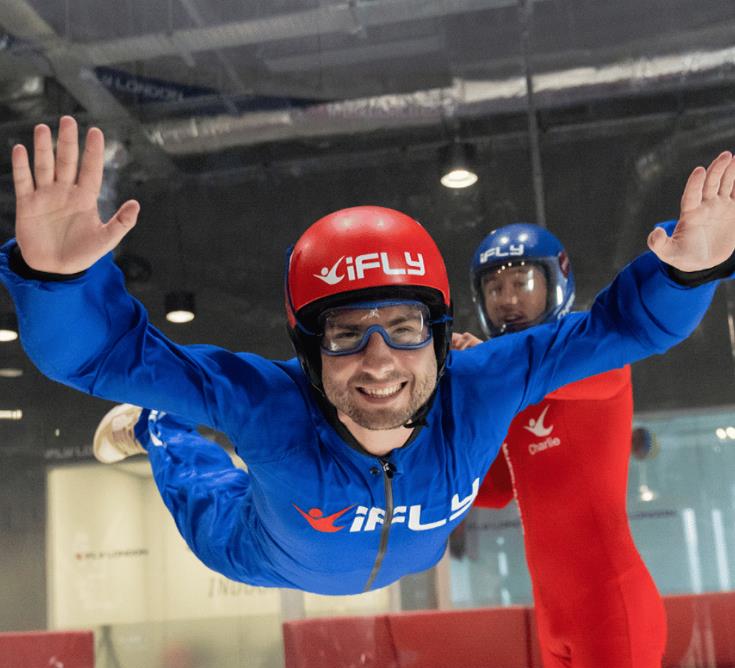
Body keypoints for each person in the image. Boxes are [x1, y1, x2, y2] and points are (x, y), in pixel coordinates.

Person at [1, 115, 735, 597]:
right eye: (347, 334)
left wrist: (685, 273)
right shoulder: (266, 403)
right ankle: (158, 429)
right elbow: (101, 356)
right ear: (307, 349)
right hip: (260, 552)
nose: (380, 362)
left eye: (404, 328)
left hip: (412, 556)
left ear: (443, 335)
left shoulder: (480, 384)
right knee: (198, 471)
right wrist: (60, 284)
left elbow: (620, 330)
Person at [452, 222, 673, 668]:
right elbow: (494, 491)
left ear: (556, 284)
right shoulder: (505, 385)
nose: (507, 298)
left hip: (611, 615)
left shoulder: (595, 351)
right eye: (495, 287)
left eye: (520, 283)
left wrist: (476, 364)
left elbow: (541, 373)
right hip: (554, 620)